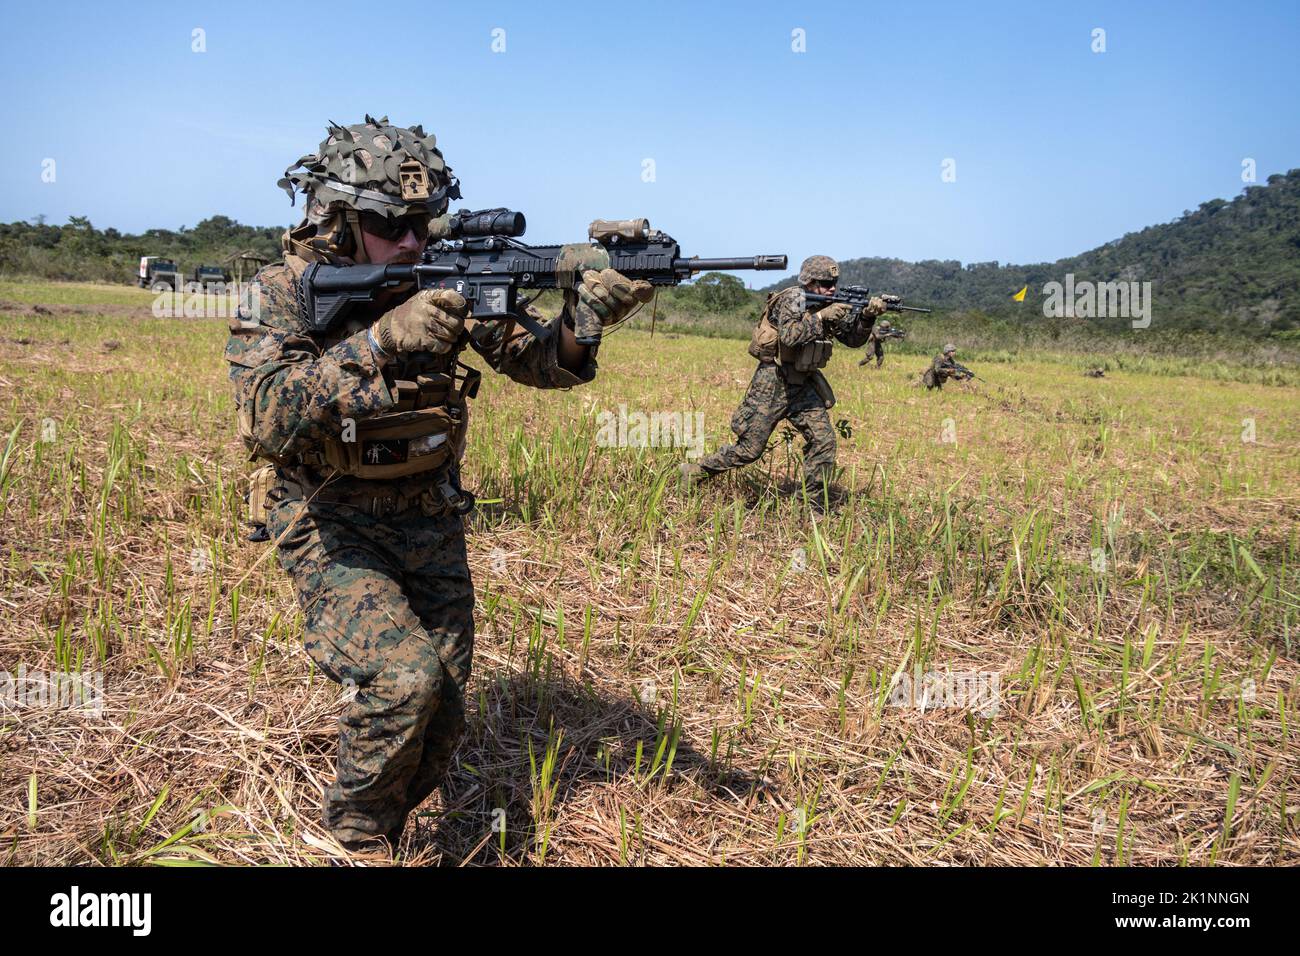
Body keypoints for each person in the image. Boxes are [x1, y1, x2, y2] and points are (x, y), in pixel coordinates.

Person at [225, 116, 650, 857]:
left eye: (426, 222)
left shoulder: (449, 279)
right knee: (404, 682)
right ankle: (358, 836)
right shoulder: (285, 292)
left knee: (446, 708)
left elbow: (540, 362)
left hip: (428, 514)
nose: (414, 242)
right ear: (340, 219)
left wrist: (585, 322)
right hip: (329, 518)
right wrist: (380, 344)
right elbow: (265, 419)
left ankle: (395, 819)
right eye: (393, 224)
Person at [682, 255, 885, 494]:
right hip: (773, 382)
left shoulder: (827, 304)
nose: (832, 289)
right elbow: (789, 336)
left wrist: (867, 317)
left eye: (835, 283)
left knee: (824, 441)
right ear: (810, 282)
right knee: (750, 450)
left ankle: (813, 503)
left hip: (803, 385)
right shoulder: (793, 299)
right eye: (826, 284)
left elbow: (852, 340)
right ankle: (696, 471)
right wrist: (821, 318)